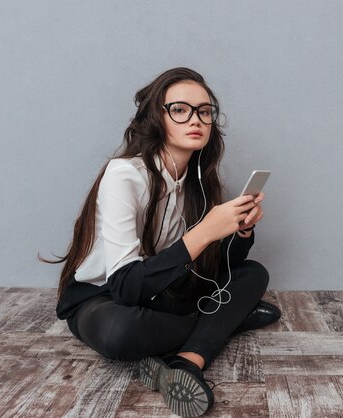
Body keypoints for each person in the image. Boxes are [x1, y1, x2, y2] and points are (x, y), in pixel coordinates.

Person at [40, 67, 280, 417]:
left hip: (165, 294)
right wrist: (204, 231)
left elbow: (216, 267)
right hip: (105, 298)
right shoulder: (125, 176)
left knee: (253, 274)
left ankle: (187, 360)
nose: (195, 119)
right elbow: (125, 288)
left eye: (205, 110)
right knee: (121, 333)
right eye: (180, 109)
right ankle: (223, 325)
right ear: (157, 118)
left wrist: (240, 230)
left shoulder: (198, 180)